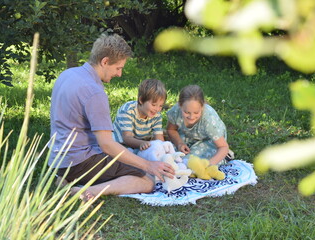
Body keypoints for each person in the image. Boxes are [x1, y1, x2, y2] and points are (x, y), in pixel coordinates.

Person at [49, 34, 174, 200]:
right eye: (118, 68)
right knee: (146, 180)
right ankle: (83, 191)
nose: (120, 74)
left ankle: (67, 180)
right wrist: (148, 165)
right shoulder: (94, 92)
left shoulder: (68, 74)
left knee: (128, 162)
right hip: (79, 162)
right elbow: (107, 145)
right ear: (105, 61)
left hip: (57, 160)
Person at [166, 85, 231, 166]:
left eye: (196, 112)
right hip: (185, 135)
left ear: (202, 106)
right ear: (180, 105)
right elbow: (171, 130)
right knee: (170, 154)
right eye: (186, 112)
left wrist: (209, 164)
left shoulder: (208, 119)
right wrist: (180, 144)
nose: (191, 117)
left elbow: (223, 147)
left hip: (209, 140)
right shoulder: (175, 112)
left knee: (192, 162)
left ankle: (226, 157)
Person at [112, 78, 167, 152]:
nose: (157, 109)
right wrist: (143, 143)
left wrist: (164, 149)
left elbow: (159, 138)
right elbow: (126, 138)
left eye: (160, 106)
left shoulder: (156, 115)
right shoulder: (127, 110)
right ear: (141, 100)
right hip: (119, 144)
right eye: (154, 105)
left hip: (138, 144)